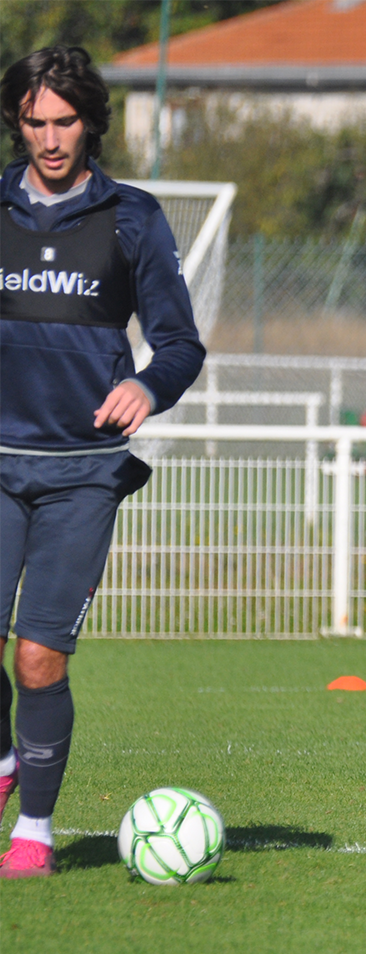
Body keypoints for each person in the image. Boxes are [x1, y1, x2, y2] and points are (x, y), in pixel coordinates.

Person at [0, 47, 206, 877]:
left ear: (90, 124)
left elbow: (181, 344)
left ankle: (34, 835)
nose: (50, 139)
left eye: (65, 122)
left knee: (37, 658)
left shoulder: (132, 217)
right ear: (17, 123)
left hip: (84, 471)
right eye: (34, 122)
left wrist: (149, 388)